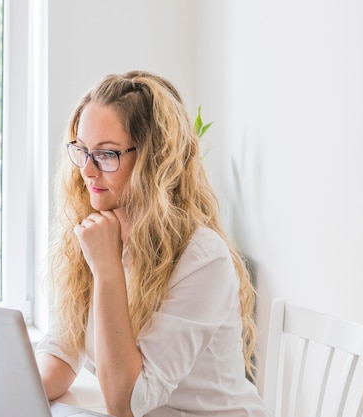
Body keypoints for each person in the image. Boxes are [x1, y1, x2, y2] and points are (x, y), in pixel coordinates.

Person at [35, 70, 271, 417]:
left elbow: (126, 403)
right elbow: (62, 349)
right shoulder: (99, 233)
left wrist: (107, 270)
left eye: (106, 154)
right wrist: (8, 393)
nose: (87, 169)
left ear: (153, 160)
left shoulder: (202, 258)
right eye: (82, 150)